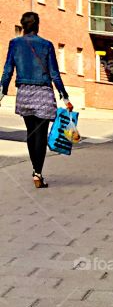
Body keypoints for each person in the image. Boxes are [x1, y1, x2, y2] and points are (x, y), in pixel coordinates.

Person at [0, 11, 71, 188]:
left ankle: (35, 170)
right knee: (41, 134)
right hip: (44, 94)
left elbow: (8, 70)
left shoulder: (15, 44)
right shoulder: (46, 45)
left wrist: (1, 93)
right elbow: (54, 73)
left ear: (23, 26)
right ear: (37, 25)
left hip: (24, 92)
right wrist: (65, 97)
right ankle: (38, 173)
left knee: (30, 133)